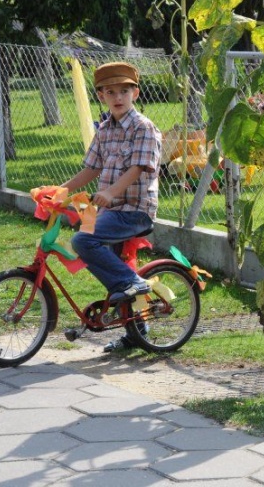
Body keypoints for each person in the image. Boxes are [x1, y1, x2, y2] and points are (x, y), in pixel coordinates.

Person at [61, 61, 162, 353]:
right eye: (110, 92)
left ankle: (133, 282)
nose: (118, 97)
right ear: (101, 96)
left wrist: (110, 191)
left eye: (124, 91)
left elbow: (138, 168)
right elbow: (91, 168)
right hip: (109, 211)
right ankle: (135, 333)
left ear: (135, 94)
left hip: (135, 211)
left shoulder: (144, 127)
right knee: (107, 265)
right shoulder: (105, 129)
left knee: (84, 240)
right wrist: (60, 190)